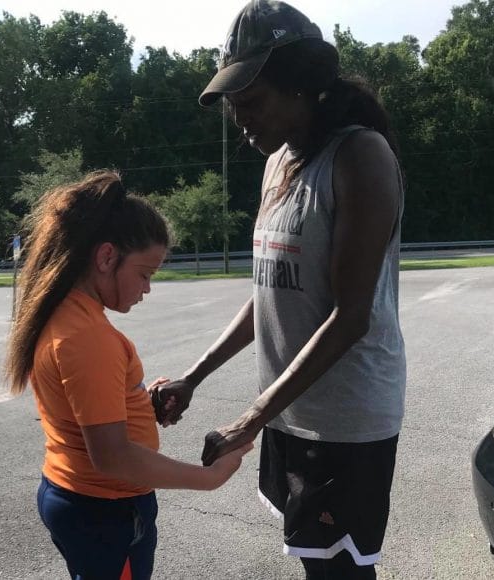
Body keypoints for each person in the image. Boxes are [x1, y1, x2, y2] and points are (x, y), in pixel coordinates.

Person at [152, 2, 406, 578]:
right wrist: (196, 375)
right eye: (233, 109)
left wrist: (249, 420)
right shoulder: (280, 163)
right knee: (316, 565)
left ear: (301, 85)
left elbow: (351, 317)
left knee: (339, 571)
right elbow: (269, 290)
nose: (241, 122)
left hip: (344, 419)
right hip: (290, 409)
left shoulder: (360, 156)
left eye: (250, 103)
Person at [4, 170, 252, 580]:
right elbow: (113, 456)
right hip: (106, 511)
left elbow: (84, 406)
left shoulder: (65, 314)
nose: (147, 289)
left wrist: (137, 399)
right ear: (106, 258)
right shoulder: (87, 337)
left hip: (80, 499)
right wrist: (209, 478)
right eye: (145, 273)